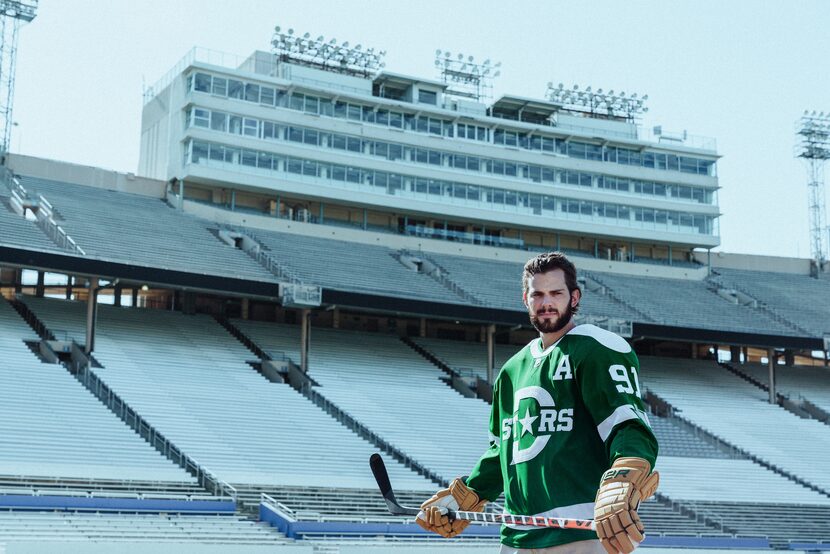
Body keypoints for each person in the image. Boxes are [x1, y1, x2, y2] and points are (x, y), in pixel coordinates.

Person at [416, 252, 659, 554]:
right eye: (538, 294)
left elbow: (628, 425)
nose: (546, 303)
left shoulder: (597, 348)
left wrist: (623, 477)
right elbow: (504, 451)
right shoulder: (511, 371)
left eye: (556, 293)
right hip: (517, 537)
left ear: (575, 297)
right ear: (525, 299)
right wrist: (466, 494)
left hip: (581, 534)